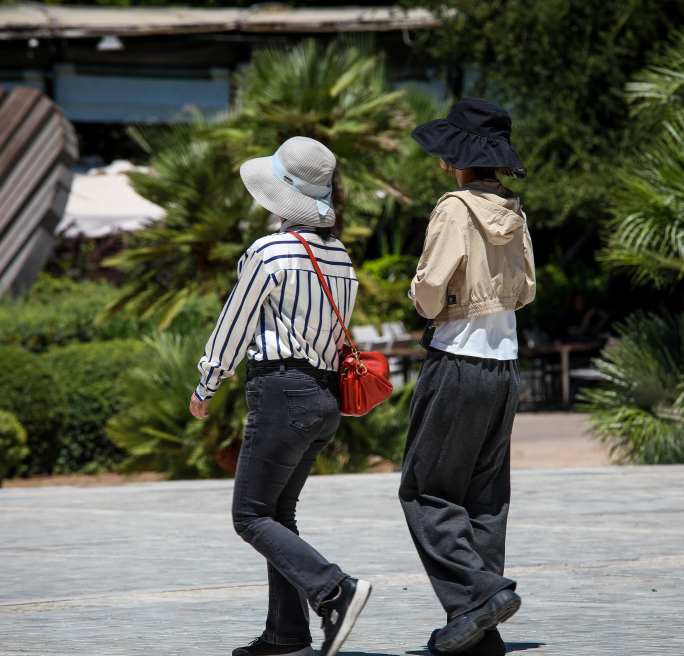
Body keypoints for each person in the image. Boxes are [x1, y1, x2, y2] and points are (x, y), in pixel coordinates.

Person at [189, 136, 371, 656]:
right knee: (278, 515)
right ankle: (286, 636)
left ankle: (334, 590)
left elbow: (235, 323)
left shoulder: (269, 251)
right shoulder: (342, 258)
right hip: (324, 399)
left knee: (249, 516)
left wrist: (207, 382)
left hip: (281, 393)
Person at [399, 97, 537, 656]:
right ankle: (480, 633)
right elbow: (527, 291)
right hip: (504, 364)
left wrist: (419, 298)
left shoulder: (454, 208)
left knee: (425, 490)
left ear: (454, 156)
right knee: (485, 498)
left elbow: (431, 290)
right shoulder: (513, 209)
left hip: (457, 360)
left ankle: (480, 596)